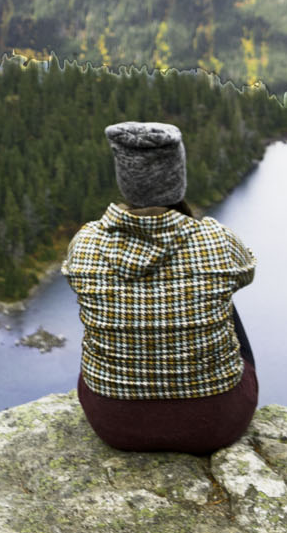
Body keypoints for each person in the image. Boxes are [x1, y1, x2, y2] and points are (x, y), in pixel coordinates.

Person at [62, 120, 258, 453]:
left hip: (115, 423)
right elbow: (247, 271)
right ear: (177, 177)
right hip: (214, 422)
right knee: (225, 297)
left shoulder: (85, 243)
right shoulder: (217, 240)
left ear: (125, 181)